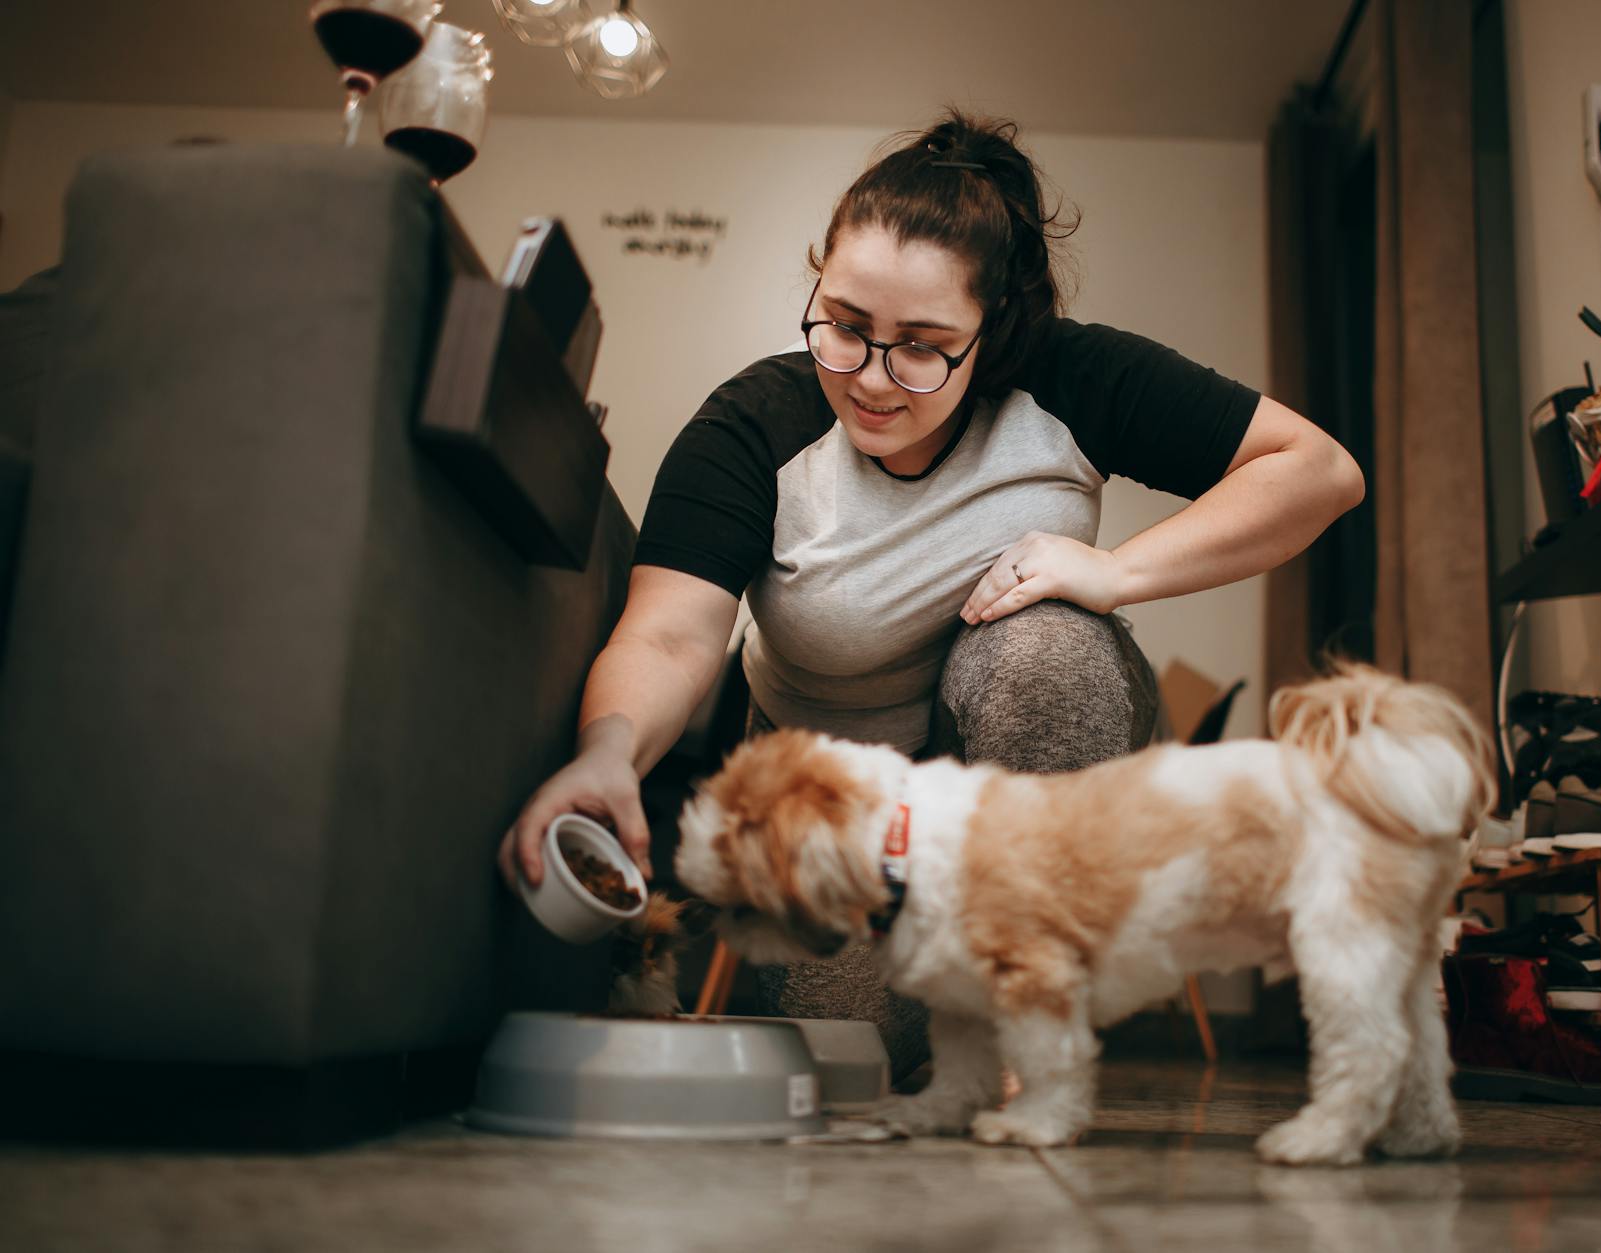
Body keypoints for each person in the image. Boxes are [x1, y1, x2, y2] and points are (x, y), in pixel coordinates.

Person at [497, 110, 1364, 1072]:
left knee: (1049, 645)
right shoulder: (754, 425)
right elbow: (668, 635)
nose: (871, 378)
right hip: (840, 817)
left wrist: (1118, 572)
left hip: (1019, 788)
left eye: (921, 344)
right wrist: (607, 751)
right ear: (817, 288)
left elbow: (1317, 470)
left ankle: (1029, 1025)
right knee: (852, 1060)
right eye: (845, 327)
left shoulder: (1069, 377)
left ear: (993, 332)